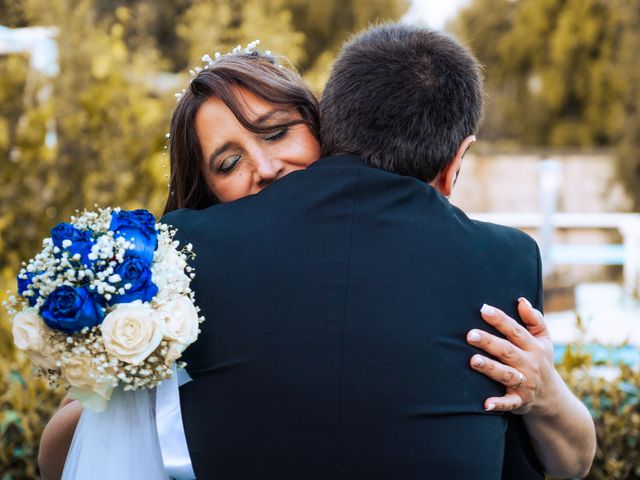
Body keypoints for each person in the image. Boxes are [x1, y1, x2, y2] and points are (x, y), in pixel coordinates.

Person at [38, 28, 595, 479]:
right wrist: (126, 359)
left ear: (328, 126)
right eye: (228, 163)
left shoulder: (468, 253)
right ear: (205, 188)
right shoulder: (170, 269)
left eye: (278, 132)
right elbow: (64, 453)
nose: (266, 167)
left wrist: (545, 390)